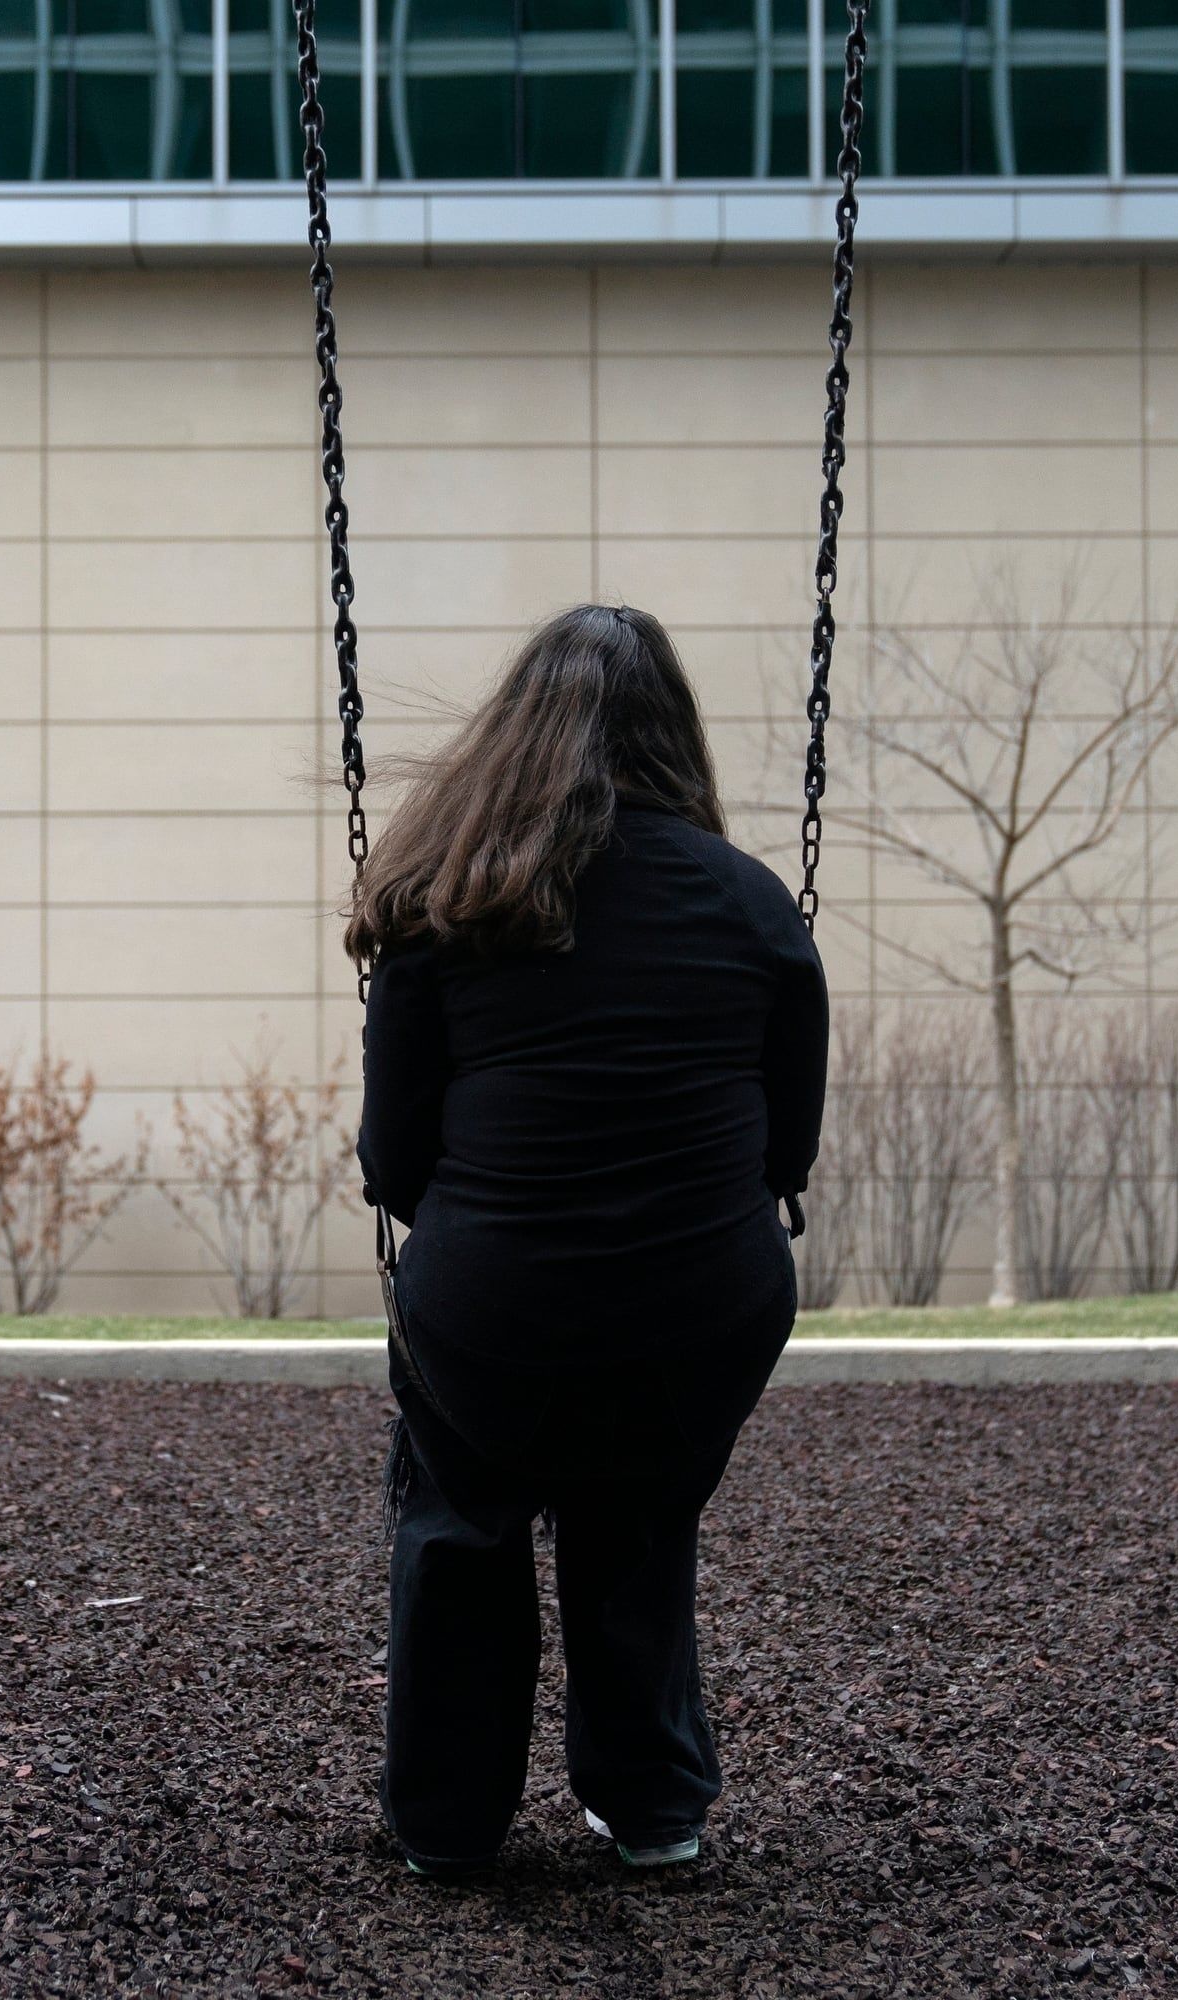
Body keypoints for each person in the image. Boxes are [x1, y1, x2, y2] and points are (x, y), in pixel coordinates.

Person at [350, 603, 829, 1877]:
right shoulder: (756, 906)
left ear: (513, 733)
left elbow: (392, 1162)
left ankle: (448, 1821)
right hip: (697, 1306)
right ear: (676, 733)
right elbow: (788, 1152)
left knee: (462, 1516)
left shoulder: (444, 903)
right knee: (640, 1512)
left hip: (495, 1305)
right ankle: (655, 1804)